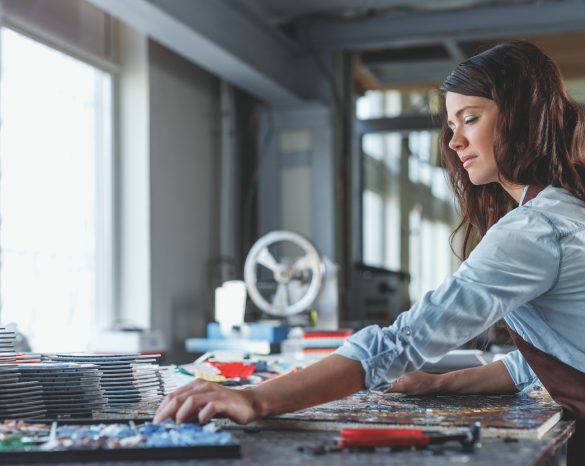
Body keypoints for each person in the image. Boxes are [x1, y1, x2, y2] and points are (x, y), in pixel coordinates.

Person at [155, 41, 585, 463]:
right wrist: (439, 384)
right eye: (451, 126)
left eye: (469, 119)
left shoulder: (534, 230)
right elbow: (559, 353)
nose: (454, 142)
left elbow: (400, 343)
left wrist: (254, 400)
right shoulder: (564, 210)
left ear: (523, 117)